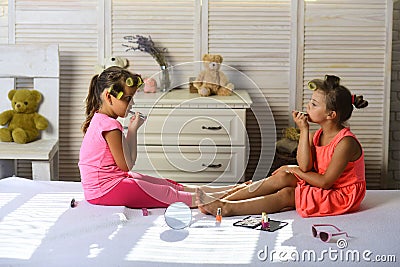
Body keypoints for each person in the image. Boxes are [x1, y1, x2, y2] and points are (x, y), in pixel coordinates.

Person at [197, 74, 369, 217]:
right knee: (282, 178)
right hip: (322, 182)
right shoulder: (318, 135)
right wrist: (303, 130)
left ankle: (227, 208)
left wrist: (291, 168)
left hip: (341, 194)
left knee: (288, 194)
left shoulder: (345, 143)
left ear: (331, 114)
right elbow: (306, 166)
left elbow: (324, 183)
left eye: (315, 104)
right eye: (311, 101)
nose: (308, 105)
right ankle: (224, 198)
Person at [78, 66, 245, 209]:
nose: (132, 104)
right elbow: (127, 165)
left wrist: (132, 130)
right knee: (166, 193)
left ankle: (230, 190)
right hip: (105, 190)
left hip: (106, 186)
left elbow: (127, 164)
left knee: (167, 184)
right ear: (108, 97)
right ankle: (230, 195)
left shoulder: (101, 120)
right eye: (128, 99)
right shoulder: (110, 127)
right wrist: (132, 131)